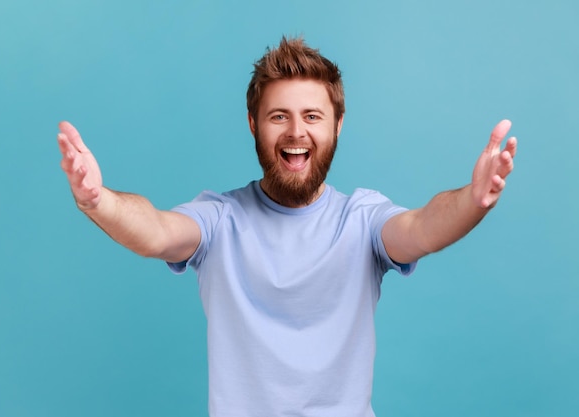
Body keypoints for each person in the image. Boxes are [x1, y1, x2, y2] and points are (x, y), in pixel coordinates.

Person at [57, 37, 517, 417]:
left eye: (312, 116)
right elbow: (157, 231)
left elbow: (421, 228)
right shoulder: (220, 219)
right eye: (279, 116)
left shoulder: (361, 220)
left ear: (338, 125)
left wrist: (472, 202)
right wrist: (100, 201)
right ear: (254, 124)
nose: (296, 132)